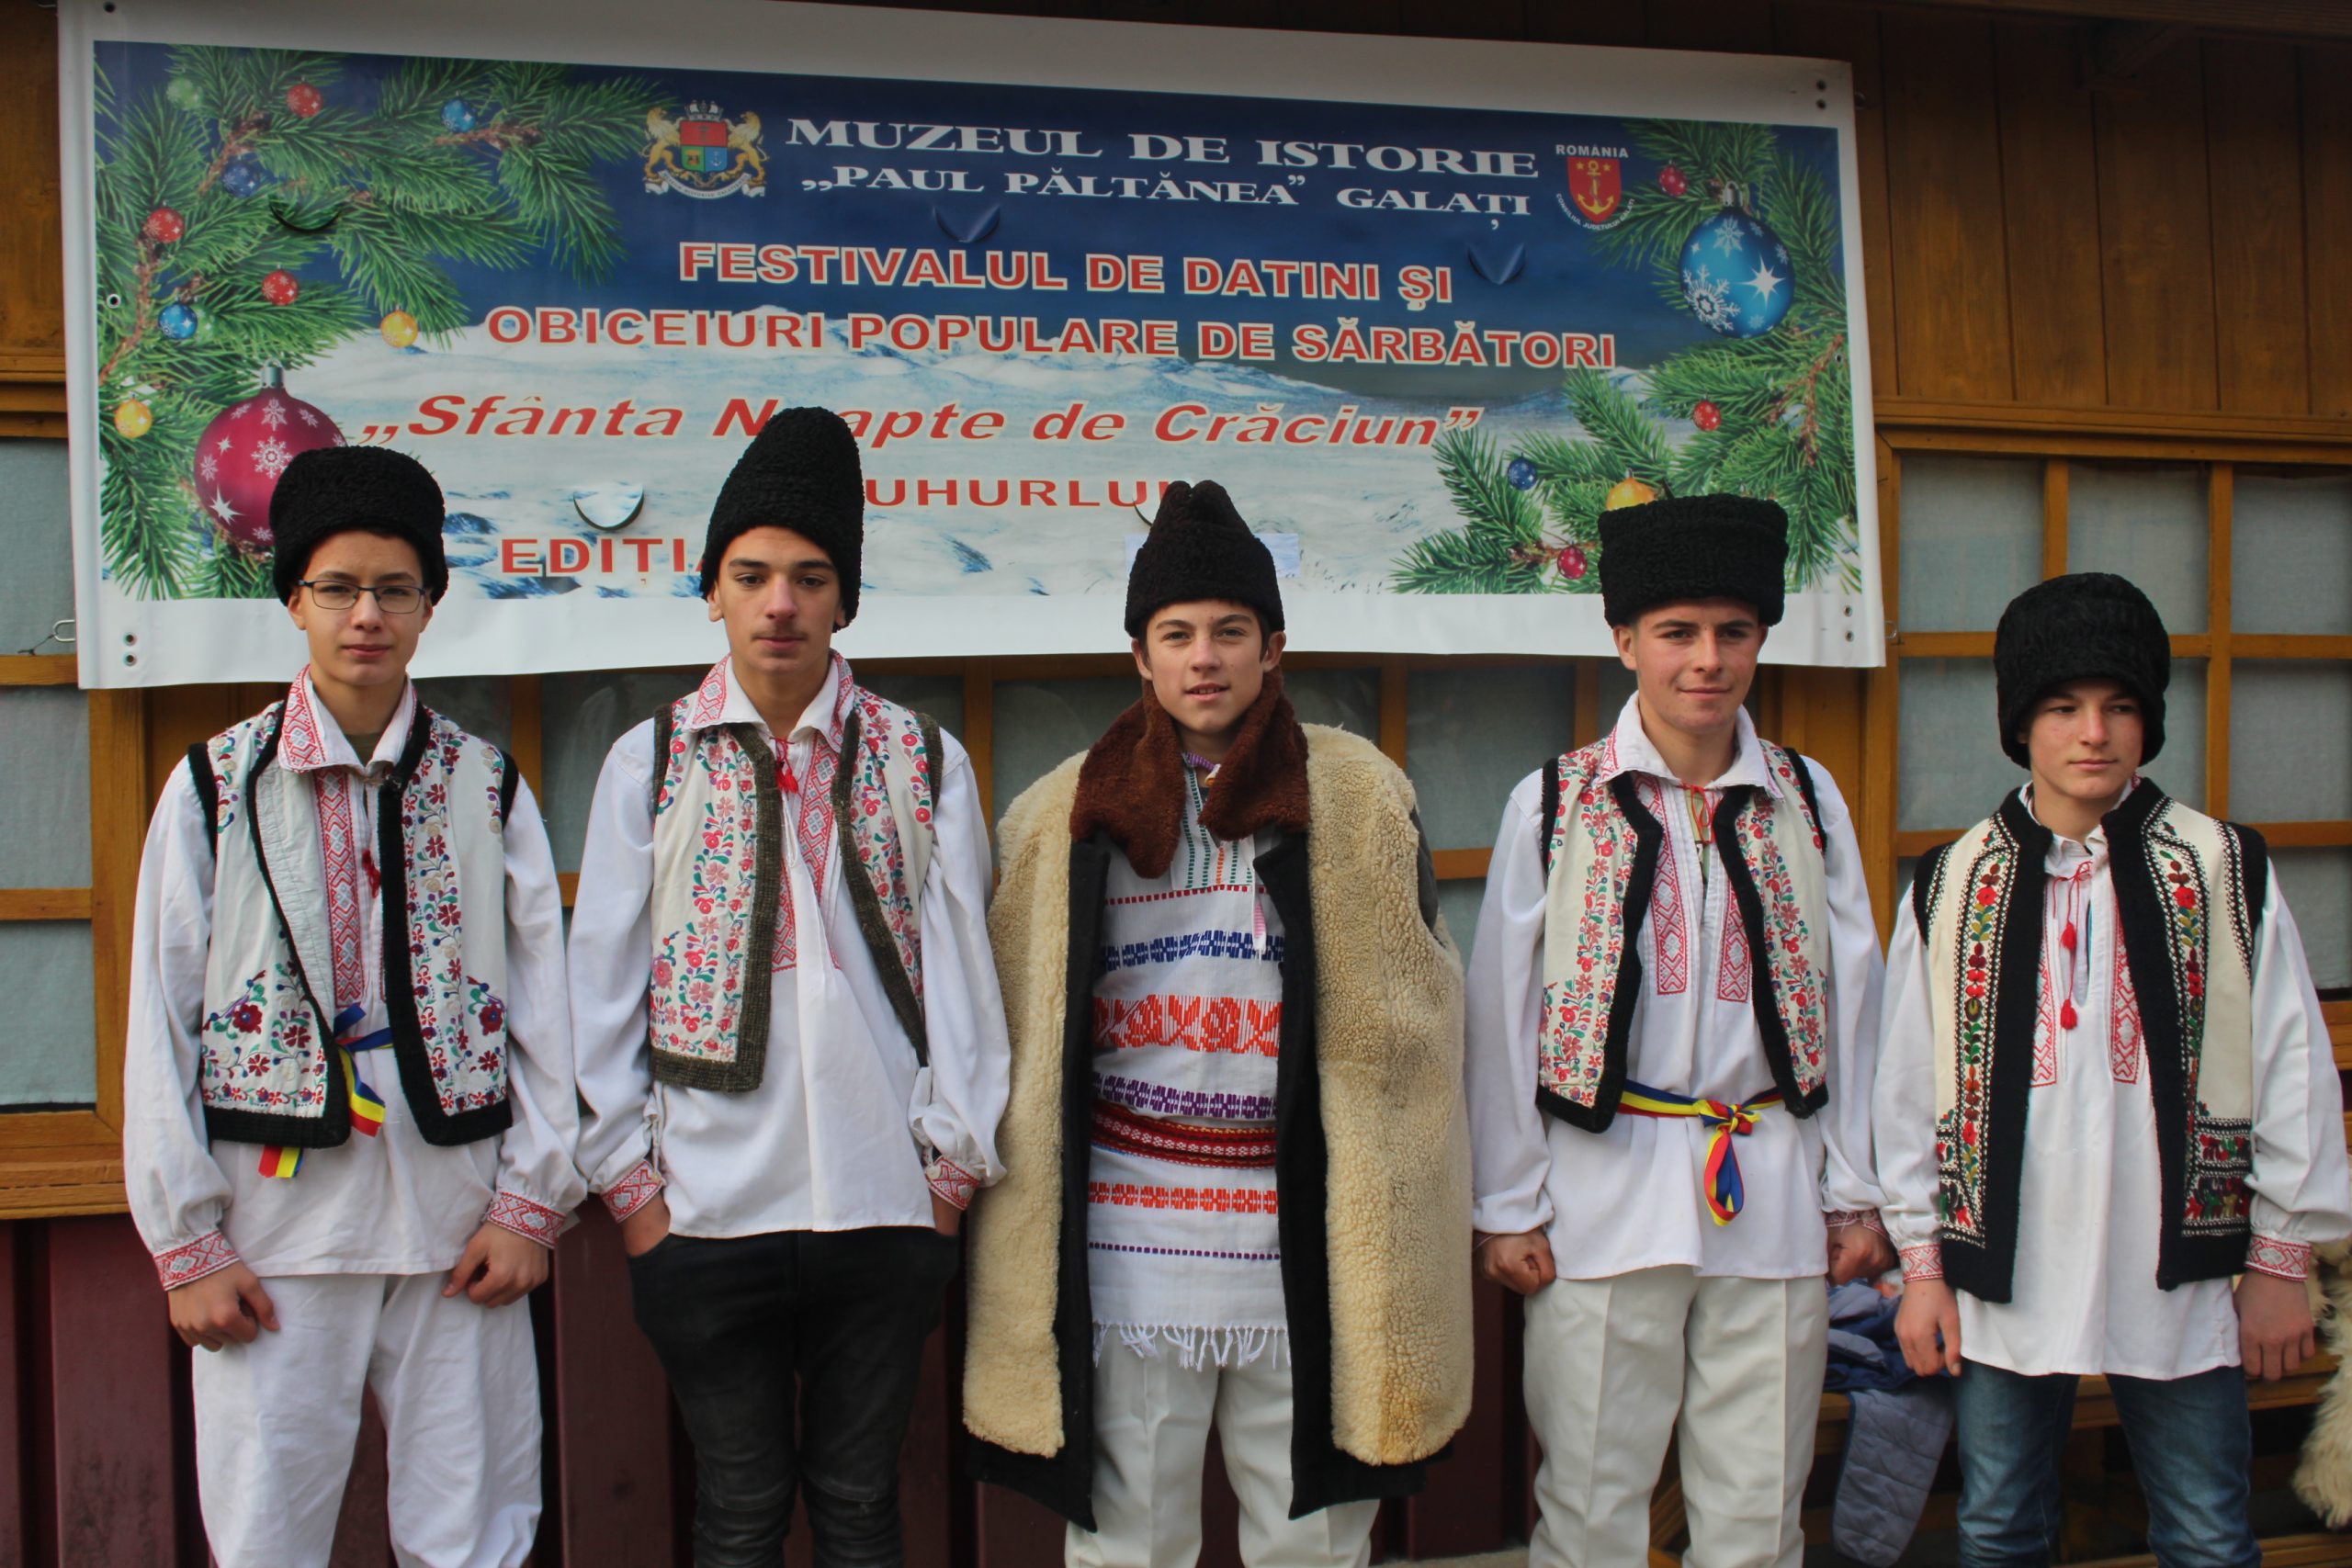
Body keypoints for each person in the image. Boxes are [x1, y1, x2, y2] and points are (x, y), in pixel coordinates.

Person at [963, 479, 1470, 1568]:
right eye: (1177, 634)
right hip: (1128, 1243)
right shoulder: (1057, 815)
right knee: (1130, 1546)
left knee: (1311, 1547)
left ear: (1272, 648)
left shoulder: (1360, 797)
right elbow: (1013, 1036)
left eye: (1230, 631)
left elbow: (1417, 1020)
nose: (1205, 658)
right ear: (1139, 657)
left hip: (1310, 1237)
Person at [123, 445, 581, 1568]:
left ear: (431, 603)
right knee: (266, 1536)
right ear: (294, 600)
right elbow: (159, 1018)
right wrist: (188, 1243)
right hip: (272, 1235)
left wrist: (529, 1204)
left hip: (458, 1226)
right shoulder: (215, 786)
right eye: (337, 587)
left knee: (472, 1531)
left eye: (394, 588)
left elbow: (545, 1013)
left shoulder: (483, 785)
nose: (366, 615)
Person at [569, 406, 1010, 1568]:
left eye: (810, 579)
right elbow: (599, 993)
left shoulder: (921, 757)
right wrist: (636, 1198)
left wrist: (947, 1182)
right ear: (710, 592)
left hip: (886, 1206)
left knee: (861, 1506)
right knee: (739, 1510)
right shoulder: (650, 762)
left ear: (844, 602)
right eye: (751, 576)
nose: (780, 604)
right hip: (704, 1213)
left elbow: (966, 984)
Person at [1878, 571, 2352, 1568]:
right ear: (2021, 725)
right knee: (1998, 1528)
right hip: (2005, 1278)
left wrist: (2282, 1261)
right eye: (2062, 707)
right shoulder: (1953, 882)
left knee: (2208, 1532)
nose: (2092, 733)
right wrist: (1920, 1269)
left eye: (2119, 706)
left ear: (2148, 723)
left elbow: (2292, 1066)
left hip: (2179, 1274)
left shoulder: (2222, 871)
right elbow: (1906, 1092)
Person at [1464, 493, 1892, 1568]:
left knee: (1756, 1510)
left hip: (1772, 1190)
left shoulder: (1806, 798)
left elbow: (1856, 998)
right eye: (1676, 632)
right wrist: (1508, 1202)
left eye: (1732, 631)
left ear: (1759, 639)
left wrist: (1854, 1190)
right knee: (1591, 1504)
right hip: (1600, 1197)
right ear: (1624, 641)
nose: (1706, 660)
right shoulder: (1556, 802)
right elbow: (1502, 1012)